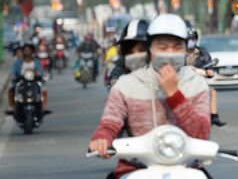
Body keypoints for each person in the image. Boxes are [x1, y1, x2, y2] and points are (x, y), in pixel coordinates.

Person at [88, 14, 211, 179]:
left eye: (176, 47)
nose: (169, 53)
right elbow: (110, 123)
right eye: (162, 47)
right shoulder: (126, 85)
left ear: (185, 49)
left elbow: (202, 134)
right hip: (134, 168)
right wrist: (101, 138)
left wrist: (174, 94)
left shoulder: (197, 84)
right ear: (150, 49)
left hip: (187, 167)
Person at [185, 22, 226, 127]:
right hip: (181, 83)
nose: (191, 41)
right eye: (188, 39)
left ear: (196, 40)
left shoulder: (203, 53)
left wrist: (208, 71)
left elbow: (210, 69)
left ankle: (214, 116)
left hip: (198, 82)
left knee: (212, 92)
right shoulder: (178, 53)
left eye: (193, 39)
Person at [107, 19, 150, 88]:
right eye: (130, 51)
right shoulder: (123, 60)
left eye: (141, 50)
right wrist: (115, 84)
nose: (136, 54)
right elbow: (115, 73)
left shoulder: (156, 64)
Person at [7, 43, 47, 110]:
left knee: (44, 90)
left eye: (28, 50)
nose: (27, 51)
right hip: (21, 82)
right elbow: (13, 72)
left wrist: (38, 74)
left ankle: (43, 107)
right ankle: (13, 107)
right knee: (11, 90)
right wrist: (13, 77)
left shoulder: (36, 61)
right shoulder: (18, 62)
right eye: (25, 50)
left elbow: (41, 71)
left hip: (34, 82)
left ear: (32, 51)